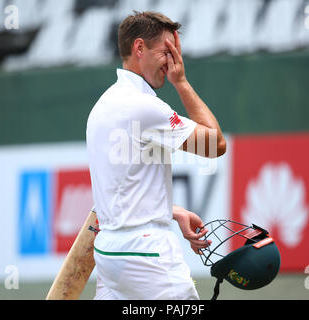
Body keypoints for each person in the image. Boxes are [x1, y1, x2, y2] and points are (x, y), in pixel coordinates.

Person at [86, 11, 226, 300]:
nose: (173, 61)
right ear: (139, 48)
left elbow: (120, 186)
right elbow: (215, 145)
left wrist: (173, 212)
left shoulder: (103, 105)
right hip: (147, 254)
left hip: (110, 252)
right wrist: (182, 83)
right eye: (167, 51)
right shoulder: (143, 106)